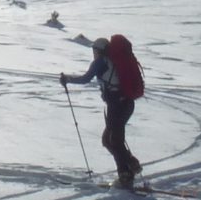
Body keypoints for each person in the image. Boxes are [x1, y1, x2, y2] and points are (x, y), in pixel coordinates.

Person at [61, 35, 143, 188]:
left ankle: (126, 174)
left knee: (113, 140)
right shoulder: (114, 61)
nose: (94, 54)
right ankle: (129, 166)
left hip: (117, 105)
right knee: (109, 140)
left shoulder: (101, 62)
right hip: (126, 104)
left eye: (94, 50)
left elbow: (86, 78)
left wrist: (68, 79)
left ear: (98, 51)